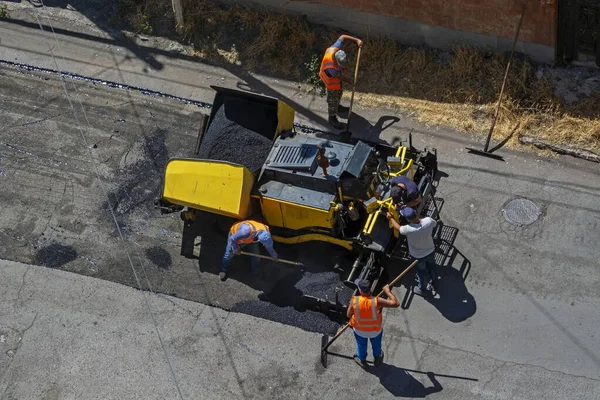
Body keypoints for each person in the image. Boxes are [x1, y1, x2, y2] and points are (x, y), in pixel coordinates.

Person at [346, 279, 400, 368]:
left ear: (360, 290)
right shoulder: (378, 301)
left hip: (360, 331)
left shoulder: (354, 301)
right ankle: (377, 357)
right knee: (376, 344)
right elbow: (396, 303)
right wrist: (387, 291)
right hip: (375, 331)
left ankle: (362, 359)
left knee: (361, 345)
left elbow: (348, 315)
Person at [386, 207, 438, 296]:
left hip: (418, 257)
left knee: (421, 272)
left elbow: (398, 227)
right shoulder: (428, 221)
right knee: (432, 266)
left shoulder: (408, 229)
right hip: (430, 250)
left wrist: (390, 218)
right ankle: (434, 280)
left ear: (407, 219)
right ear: (416, 213)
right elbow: (435, 224)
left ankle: (422, 289)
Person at [319, 34, 363, 130]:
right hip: (330, 83)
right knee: (332, 100)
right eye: (341, 64)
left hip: (336, 81)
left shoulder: (335, 49)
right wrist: (349, 80)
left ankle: (338, 107)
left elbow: (342, 36)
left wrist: (357, 40)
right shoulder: (331, 68)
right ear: (336, 60)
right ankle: (332, 118)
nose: (343, 66)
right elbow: (339, 77)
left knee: (339, 93)